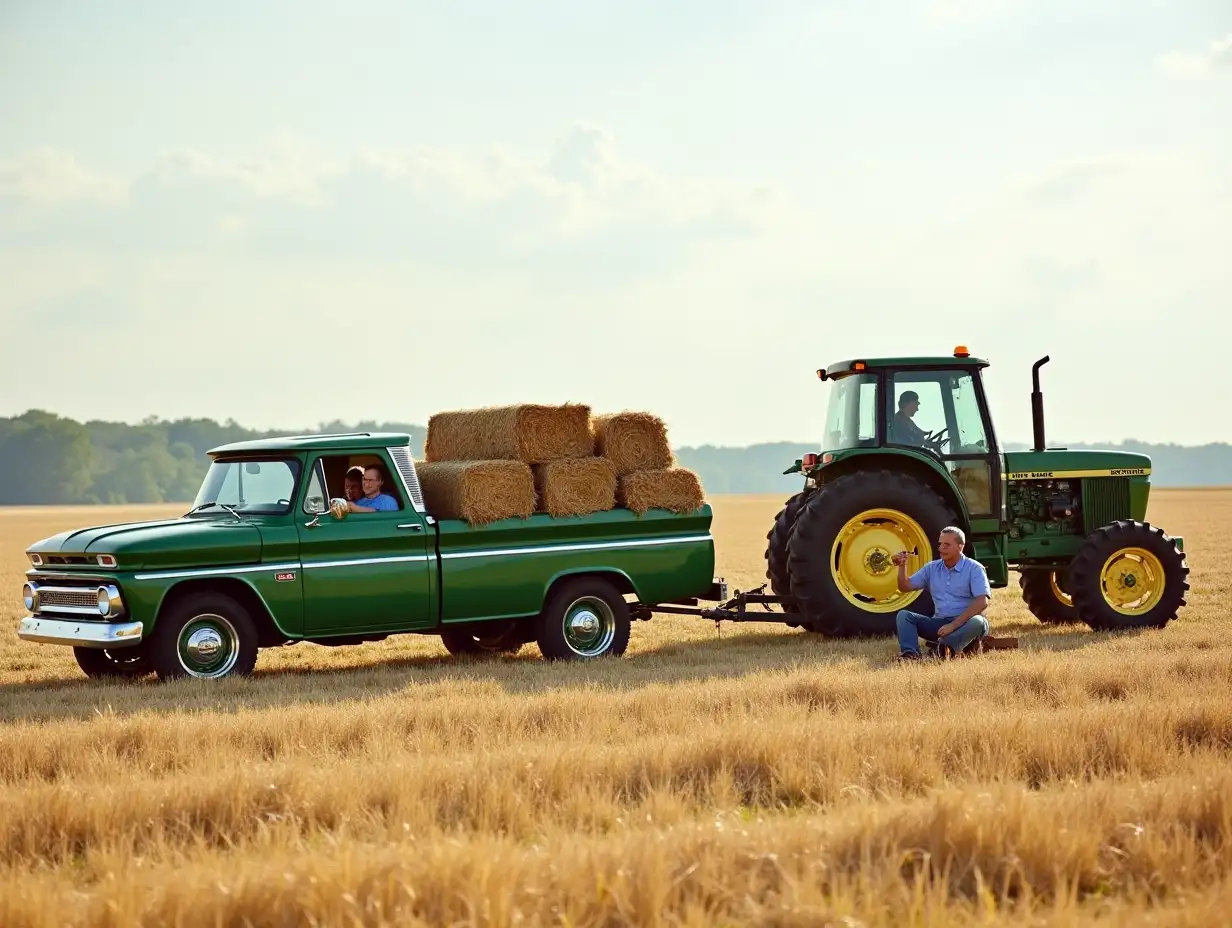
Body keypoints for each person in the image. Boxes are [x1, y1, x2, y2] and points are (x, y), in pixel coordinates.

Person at [892, 526, 990, 660]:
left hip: (965, 624)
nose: (941, 548)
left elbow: (982, 602)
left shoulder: (974, 568)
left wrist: (953, 625)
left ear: (960, 546)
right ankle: (911, 655)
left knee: (978, 622)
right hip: (940, 625)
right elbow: (905, 587)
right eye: (940, 544)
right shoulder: (931, 568)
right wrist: (902, 566)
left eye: (947, 544)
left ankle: (942, 650)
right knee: (904, 616)